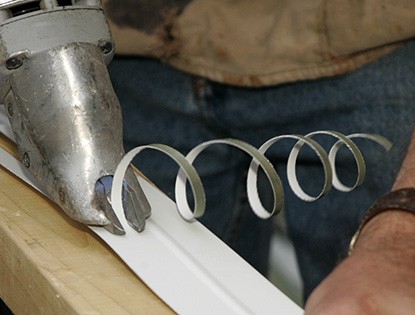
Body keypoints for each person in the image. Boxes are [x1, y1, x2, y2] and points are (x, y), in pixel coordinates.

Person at [104, 1, 415, 313]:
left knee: (369, 298)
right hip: (133, 43)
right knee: (162, 291)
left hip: (370, 44)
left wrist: (399, 232)